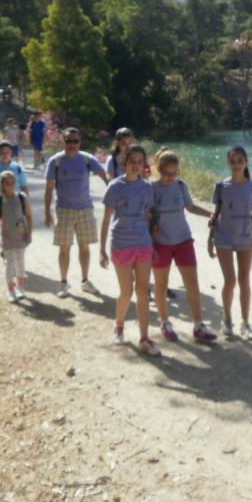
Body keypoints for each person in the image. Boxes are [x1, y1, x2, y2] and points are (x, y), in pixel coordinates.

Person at [150, 148, 218, 344]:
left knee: (192, 285)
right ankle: (165, 323)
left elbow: (190, 206)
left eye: (174, 173)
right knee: (161, 286)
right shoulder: (151, 188)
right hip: (161, 243)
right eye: (166, 173)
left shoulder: (181, 185)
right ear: (158, 169)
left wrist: (210, 214)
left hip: (183, 241)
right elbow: (146, 214)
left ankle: (199, 326)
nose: (170, 177)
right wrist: (150, 236)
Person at [100, 144, 160, 356]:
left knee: (143, 291)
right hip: (121, 243)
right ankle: (119, 324)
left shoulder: (147, 187)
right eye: (132, 161)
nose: (136, 165)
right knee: (127, 291)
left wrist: (154, 242)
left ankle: (144, 337)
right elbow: (106, 219)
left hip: (143, 243)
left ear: (144, 165)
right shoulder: (115, 186)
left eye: (139, 162)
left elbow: (148, 215)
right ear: (125, 162)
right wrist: (101, 249)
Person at [208, 146, 252, 340]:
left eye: (240, 160)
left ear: (246, 163)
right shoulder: (220, 187)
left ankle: (245, 322)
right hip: (223, 237)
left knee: (244, 280)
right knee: (230, 281)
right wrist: (210, 239)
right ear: (228, 163)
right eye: (233, 161)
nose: (236, 164)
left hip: (245, 238)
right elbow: (215, 216)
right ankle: (227, 319)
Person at [44, 127, 108, 298]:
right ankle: (63, 283)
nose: (72, 144)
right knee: (64, 248)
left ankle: (85, 281)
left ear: (80, 142)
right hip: (64, 211)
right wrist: (47, 212)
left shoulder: (87, 159)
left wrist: (117, 195)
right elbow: (49, 189)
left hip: (85, 210)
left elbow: (105, 177)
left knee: (84, 247)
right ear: (62, 141)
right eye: (68, 141)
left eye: (75, 141)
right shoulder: (55, 161)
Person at [0, 171, 32, 303]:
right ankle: (11, 290)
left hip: (21, 236)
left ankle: (20, 288)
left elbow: (29, 215)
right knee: (10, 265)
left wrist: (29, 232)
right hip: (6, 237)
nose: (11, 185)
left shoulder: (22, 197)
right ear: (2, 185)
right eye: (7, 183)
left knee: (20, 262)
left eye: (13, 182)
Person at [0, 142, 28, 217]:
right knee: (0, 224)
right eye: (2, 152)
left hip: (15, 202)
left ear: (11, 153)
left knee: (15, 225)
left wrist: (26, 204)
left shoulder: (17, 167)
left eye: (7, 152)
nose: (5, 155)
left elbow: (24, 186)